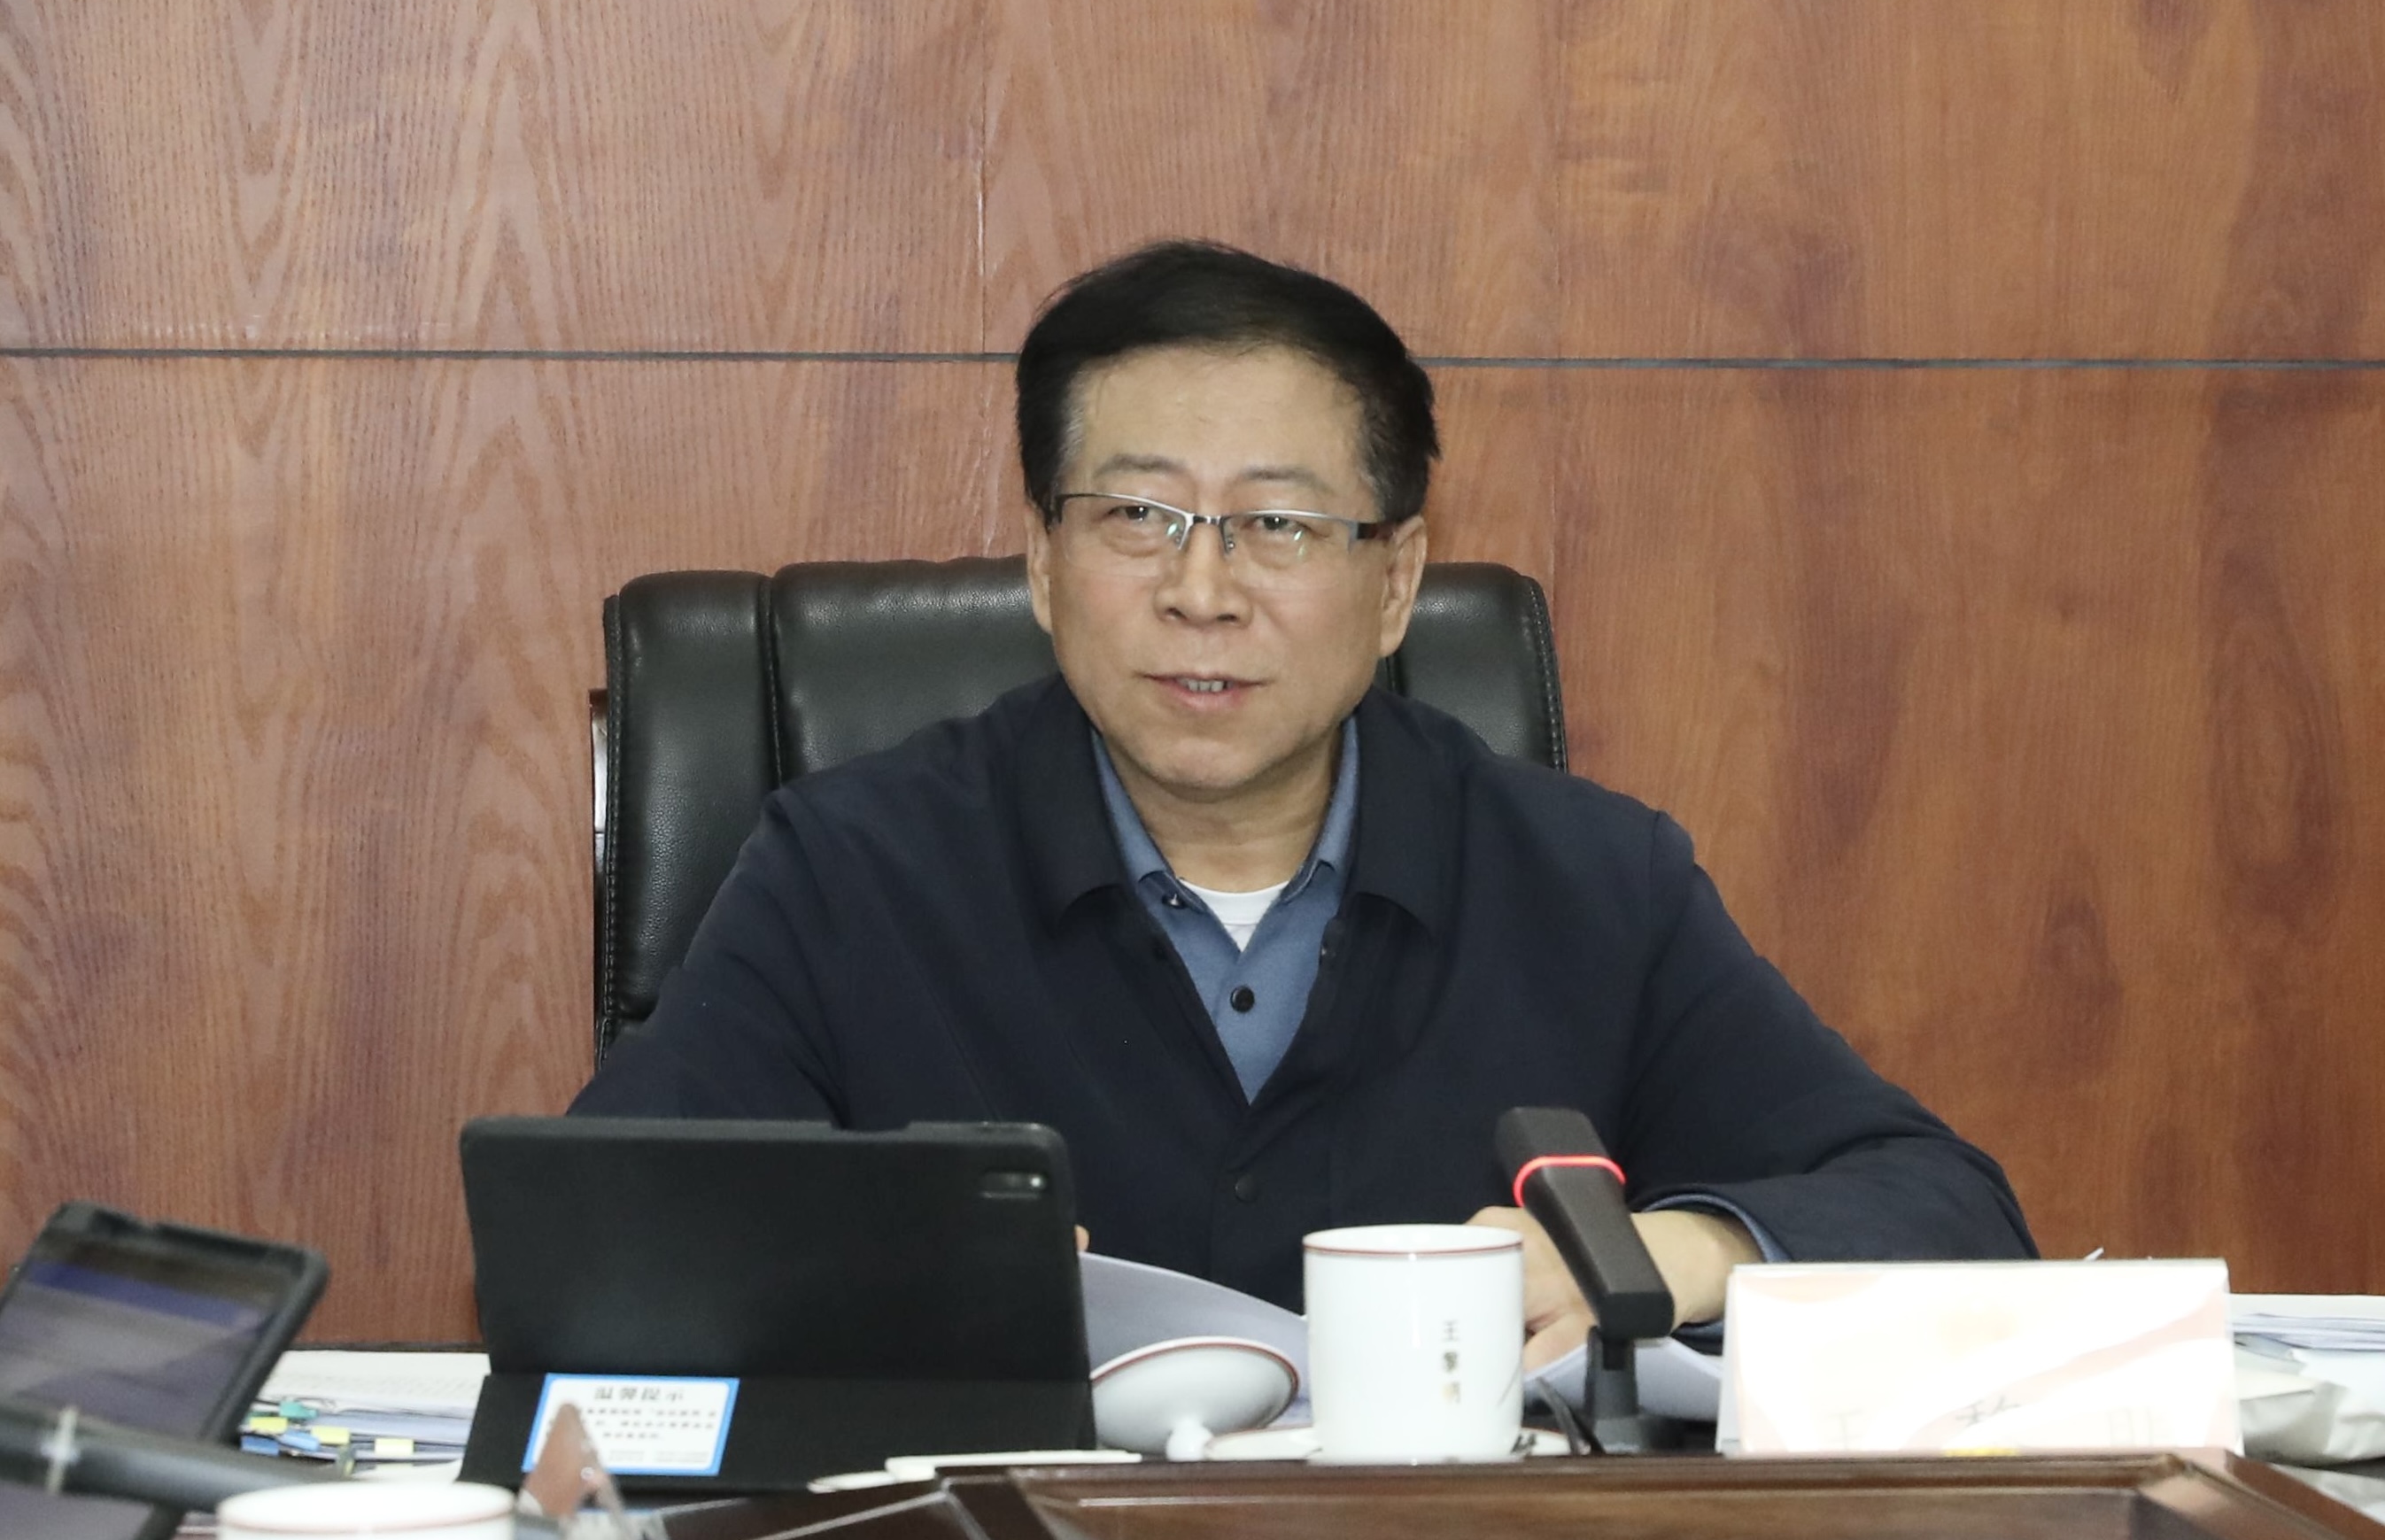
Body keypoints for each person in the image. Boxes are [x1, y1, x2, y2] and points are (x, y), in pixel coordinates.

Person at [572, 240, 2034, 1358]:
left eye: (1276, 524)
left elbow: (1944, 1207)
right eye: (1136, 516)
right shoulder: (851, 869)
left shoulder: (1589, 882)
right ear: (1041, 563)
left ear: (1395, 582)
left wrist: (1668, 1254)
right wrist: (888, 1269)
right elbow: (600, 1234)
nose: (1200, 591)